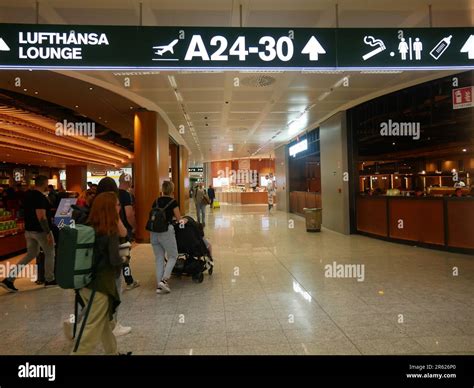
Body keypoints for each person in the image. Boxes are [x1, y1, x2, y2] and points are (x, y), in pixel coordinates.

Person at [71, 192, 128, 355]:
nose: (120, 208)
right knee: (92, 327)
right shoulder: (108, 232)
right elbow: (114, 260)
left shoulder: (91, 227)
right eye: (117, 205)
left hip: (85, 284)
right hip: (100, 286)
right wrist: (124, 259)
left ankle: (113, 352)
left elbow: (122, 234)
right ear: (110, 209)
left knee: (103, 322)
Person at [0, 176, 56, 292]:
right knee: (50, 253)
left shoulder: (27, 195)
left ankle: (9, 279)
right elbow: (41, 216)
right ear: (44, 183)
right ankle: (49, 279)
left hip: (28, 231)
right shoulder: (40, 197)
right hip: (40, 231)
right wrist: (48, 232)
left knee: (30, 254)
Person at [150, 181, 187, 294]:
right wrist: (184, 220)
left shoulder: (155, 201)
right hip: (166, 231)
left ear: (162, 189)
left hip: (153, 232)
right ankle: (164, 280)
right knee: (173, 255)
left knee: (159, 258)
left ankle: (159, 285)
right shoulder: (172, 202)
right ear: (172, 190)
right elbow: (179, 218)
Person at [118, 173, 139, 291]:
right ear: (128, 183)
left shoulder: (112, 194)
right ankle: (129, 280)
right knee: (125, 257)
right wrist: (134, 226)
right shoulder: (126, 195)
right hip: (123, 231)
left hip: (111, 230)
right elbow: (129, 214)